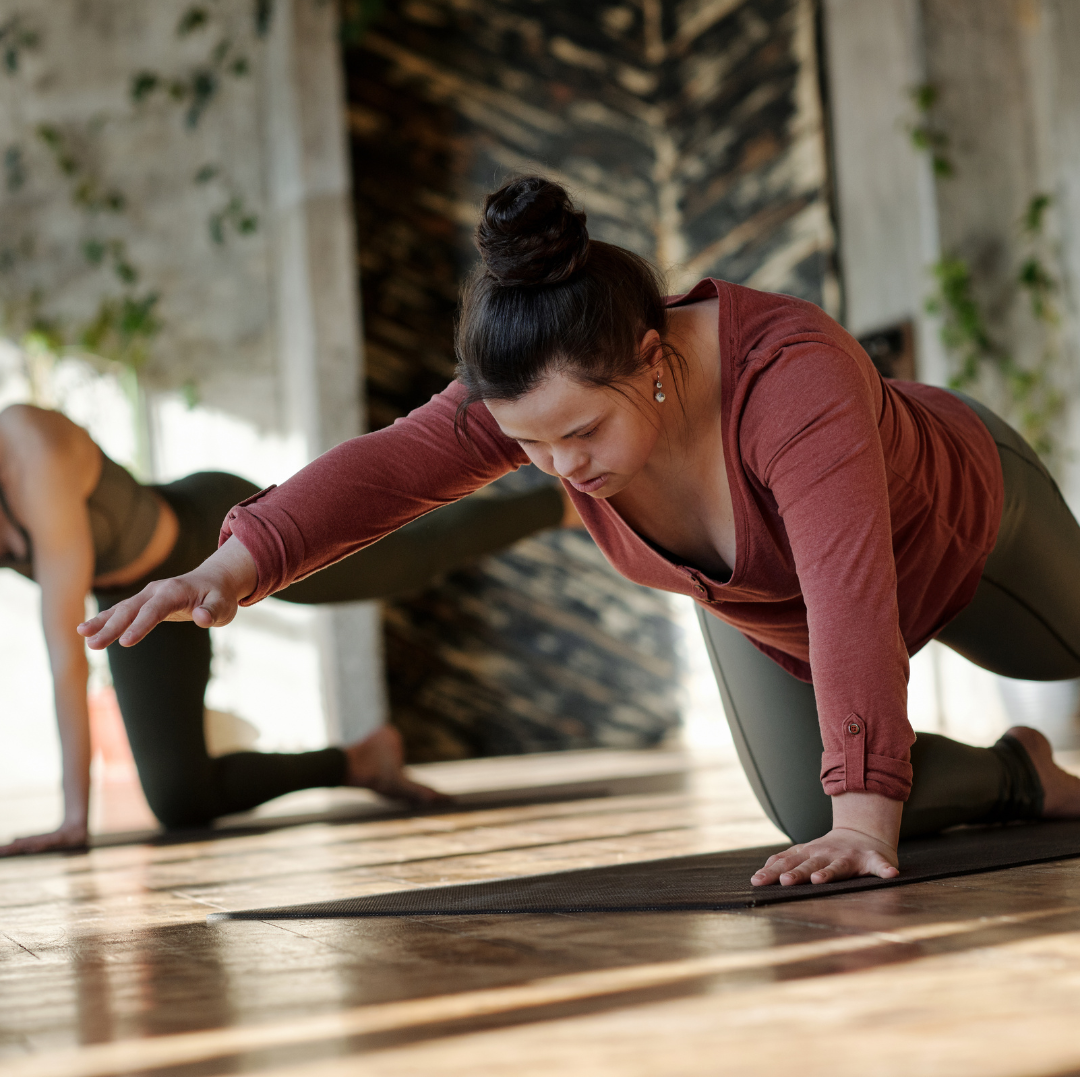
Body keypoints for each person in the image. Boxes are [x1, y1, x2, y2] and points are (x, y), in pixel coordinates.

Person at [81, 175, 1080, 888]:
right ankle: (1023, 774)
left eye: (582, 432)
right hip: (769, 610)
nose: (561, 467)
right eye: (531, 445)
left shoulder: (792, 378)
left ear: (653, 356)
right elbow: (387, 467)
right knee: (808, 816)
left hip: (959, 520)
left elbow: (848, 594)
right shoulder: (547, 392)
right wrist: (229, 568)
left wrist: (871, 810)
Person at [0, 402, 570, 854]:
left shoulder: (32, 446)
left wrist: (74, 819)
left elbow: (66, 651)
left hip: (198, 533)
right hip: (139, 604)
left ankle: (563, 502)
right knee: (181, 799)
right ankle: (360, 762)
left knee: (405, 560)